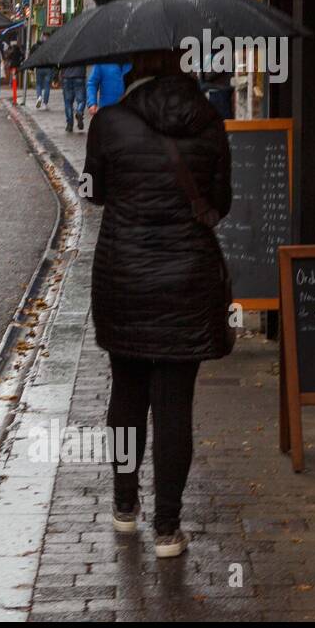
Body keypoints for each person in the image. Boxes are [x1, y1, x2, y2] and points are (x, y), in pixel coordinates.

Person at [84, 52, 233, 559]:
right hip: (187, 280)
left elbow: (94, 193)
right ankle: (168, 529)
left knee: (126, 394)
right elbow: (221, 200)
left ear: (133, 71)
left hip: (123, 276)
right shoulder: (209, 120)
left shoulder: (109, 122)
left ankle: (125, 508)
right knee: (175, 408)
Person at [60, 64, 88, 132]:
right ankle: (79, 111)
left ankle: (69, 124)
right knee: (81, 100)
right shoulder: (81, 53)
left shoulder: (64, 54)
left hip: (66, 77)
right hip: (79, 75)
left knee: (68, 103)